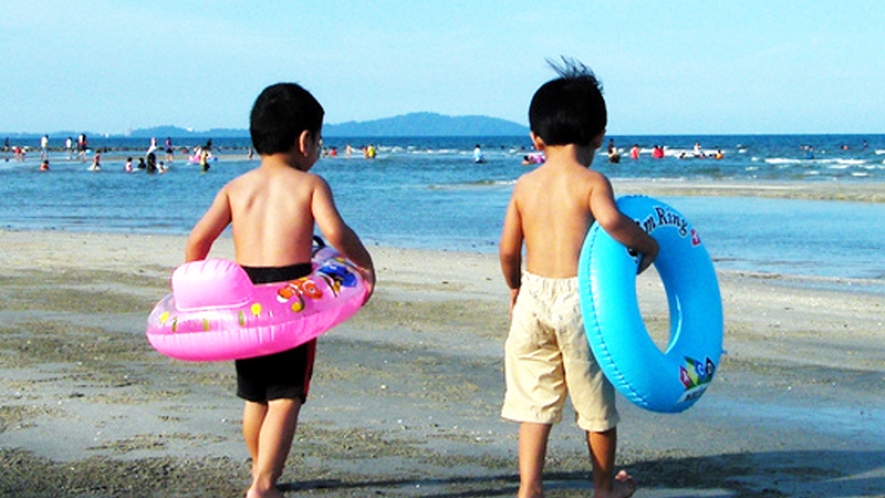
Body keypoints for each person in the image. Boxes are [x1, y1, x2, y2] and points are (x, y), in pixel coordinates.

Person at [184, 82, 375, 498]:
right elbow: (336, 232)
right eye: (320, 139)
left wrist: (196, 293)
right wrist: (364, 267)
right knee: (287, 396)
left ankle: (260, 472)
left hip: (245, 301)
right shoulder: (310, 185)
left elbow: (198, 241)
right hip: (291, 303)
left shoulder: (235, 188)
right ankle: (265, 484)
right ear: (305, 140)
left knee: (255, 397)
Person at [499, 58, 658, 498]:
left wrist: (514, 286)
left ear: (536, 137)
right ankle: (604, 489)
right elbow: (611, 223)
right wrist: (648, 246)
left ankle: (529, 489)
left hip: (532, 294)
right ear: (598, 136)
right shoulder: (592, 181)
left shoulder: (525, 185)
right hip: (579, 302)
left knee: (534, 404)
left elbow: (508, 249)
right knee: (595, 406)